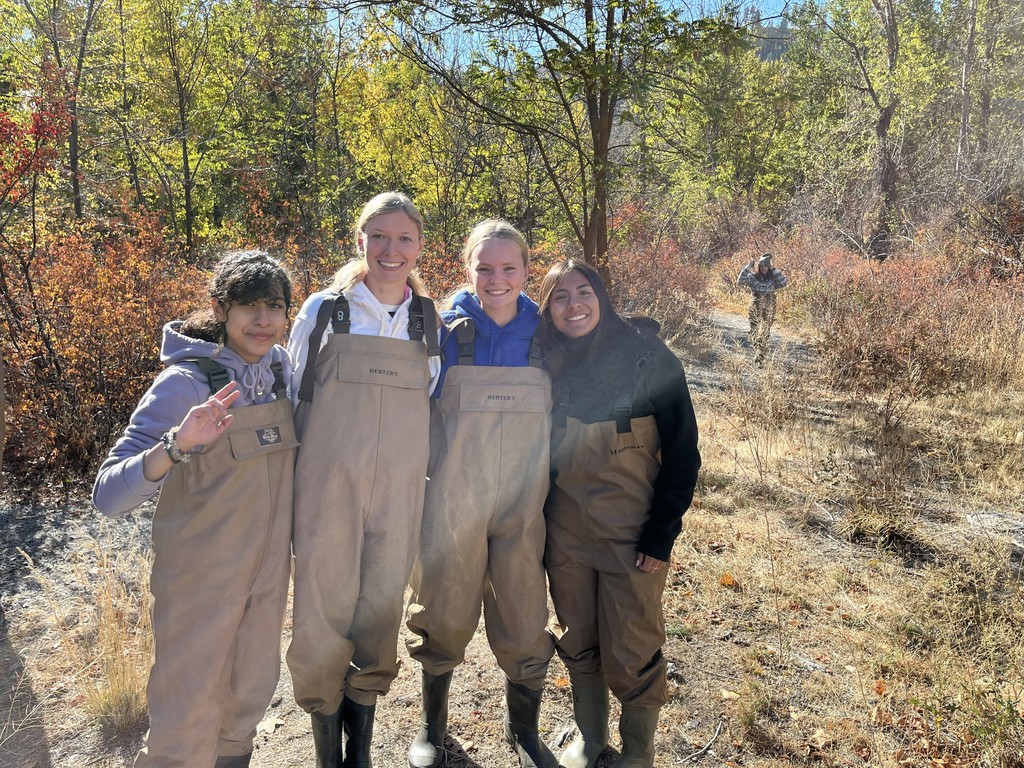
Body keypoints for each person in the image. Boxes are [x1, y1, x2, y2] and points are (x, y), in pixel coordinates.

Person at [92, 251, 297, 768]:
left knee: (247, 702)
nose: (263, 319)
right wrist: (176, 445)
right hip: (199, 587)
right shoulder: (185, 383)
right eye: (248, 305)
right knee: (185, 718)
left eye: (274, 305)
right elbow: (108, 496)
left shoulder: (280, 372)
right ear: (220, 308)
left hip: (266, 583)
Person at [286, 191, 442, 768]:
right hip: (328, 490)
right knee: (323, 613)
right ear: (360, 241)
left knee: (379, 610)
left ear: (420, 247)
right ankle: (328, 751)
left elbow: (429, 401)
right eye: (378, 237)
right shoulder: (325, 311)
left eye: (404, 238)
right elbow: (293, 396)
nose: (390, 250)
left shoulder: (428, 320)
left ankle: (361, 754)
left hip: (400, 493)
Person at [535, 259, 701, 768]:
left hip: (631, 532)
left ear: (602, 297)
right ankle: (590, 739)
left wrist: (660, 535)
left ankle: (637, 752)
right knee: (578, 634)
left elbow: (683, 452)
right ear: (548, 309)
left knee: (632, 640)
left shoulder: (647, 356)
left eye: (584, 292)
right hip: (564, 531)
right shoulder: (543, 359)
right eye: (560, 298)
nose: (574, 305)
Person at [405, 220, 558, 768]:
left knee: (523, 614)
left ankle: (523, 733)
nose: (497, 279)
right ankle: (432, 728)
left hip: (524, 505)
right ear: (467, 268)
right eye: (485, 267)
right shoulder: (442, 329)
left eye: (509, 268)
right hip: (453, 500)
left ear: (526, 270)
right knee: (442, 610)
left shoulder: (547, 331)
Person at [737, 252, 789, 363]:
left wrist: (775, 271)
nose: (763, 268)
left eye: (766, 266)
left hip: (769, 302)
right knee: (754, 329)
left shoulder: (774, 278)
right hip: (755, 302)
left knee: (765, 329)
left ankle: (761, 355)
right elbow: (740, 281)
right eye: (761, 266)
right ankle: (757, 350)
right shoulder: (753, 277)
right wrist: (749, 266)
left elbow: (784, 283)